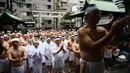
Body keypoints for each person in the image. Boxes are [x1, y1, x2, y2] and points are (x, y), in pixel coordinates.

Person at [78, 4, 130, 73]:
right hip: (87, 63)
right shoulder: (82, 31)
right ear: (88, 16)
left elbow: (113, 43)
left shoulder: (102, 29)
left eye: (99, 13)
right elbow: (93, 47)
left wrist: (117, 30)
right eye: (96, 13)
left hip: (100, 62)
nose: (99, 15)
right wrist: (112, 31)